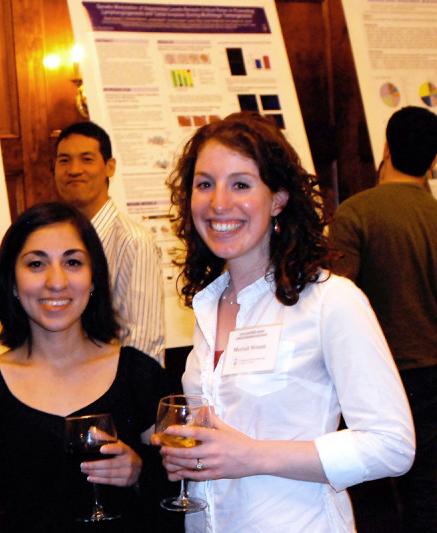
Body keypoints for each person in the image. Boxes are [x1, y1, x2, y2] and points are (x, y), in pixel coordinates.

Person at [155, 111, 415, 532]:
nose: (219, 202)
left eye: (240, 184)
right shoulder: (208, 305)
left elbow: (392, 446)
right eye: (205, 184)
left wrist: (252, 455)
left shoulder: (331, 301)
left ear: (278, 198)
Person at [0, 202, 171, 533]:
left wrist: (140, 472)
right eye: (36, 264)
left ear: (93, 278)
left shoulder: (139, 375)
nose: (56, 281)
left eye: (73, 262)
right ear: (11, 281)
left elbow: (181, 489)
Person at [330, 106, 437, 532]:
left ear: (386, 148)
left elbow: (335, 298)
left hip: (377, 376)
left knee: (372, 492)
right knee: (428, 489)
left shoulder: (356, 213)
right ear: (433, 161)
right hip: (433, 374)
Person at [54, 121, 166, 362]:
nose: (74, 170)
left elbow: (142, 344)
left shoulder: (133, 242)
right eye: (64, 160)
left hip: (112, 392)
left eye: (87, 159)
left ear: (110, 167)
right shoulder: (53, 243)